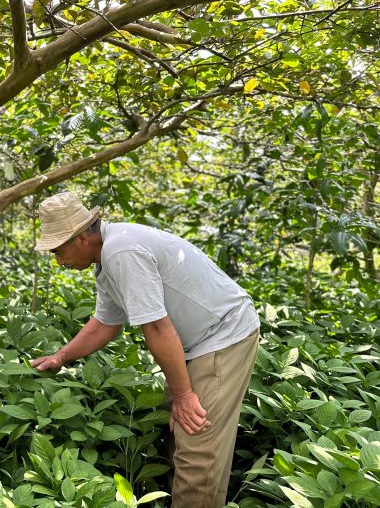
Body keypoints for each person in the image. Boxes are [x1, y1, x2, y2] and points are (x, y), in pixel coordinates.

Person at [30, 192, 259, 508]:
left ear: (81, 237)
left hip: (223, 334)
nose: (59, 261)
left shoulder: (121, 251)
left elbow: (156, 327)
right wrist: (62, 356)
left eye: (59, 250)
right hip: (195, 340)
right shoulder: (107, 258)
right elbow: (105, 324)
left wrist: (184, 394)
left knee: (196, 440)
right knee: (178, 432)